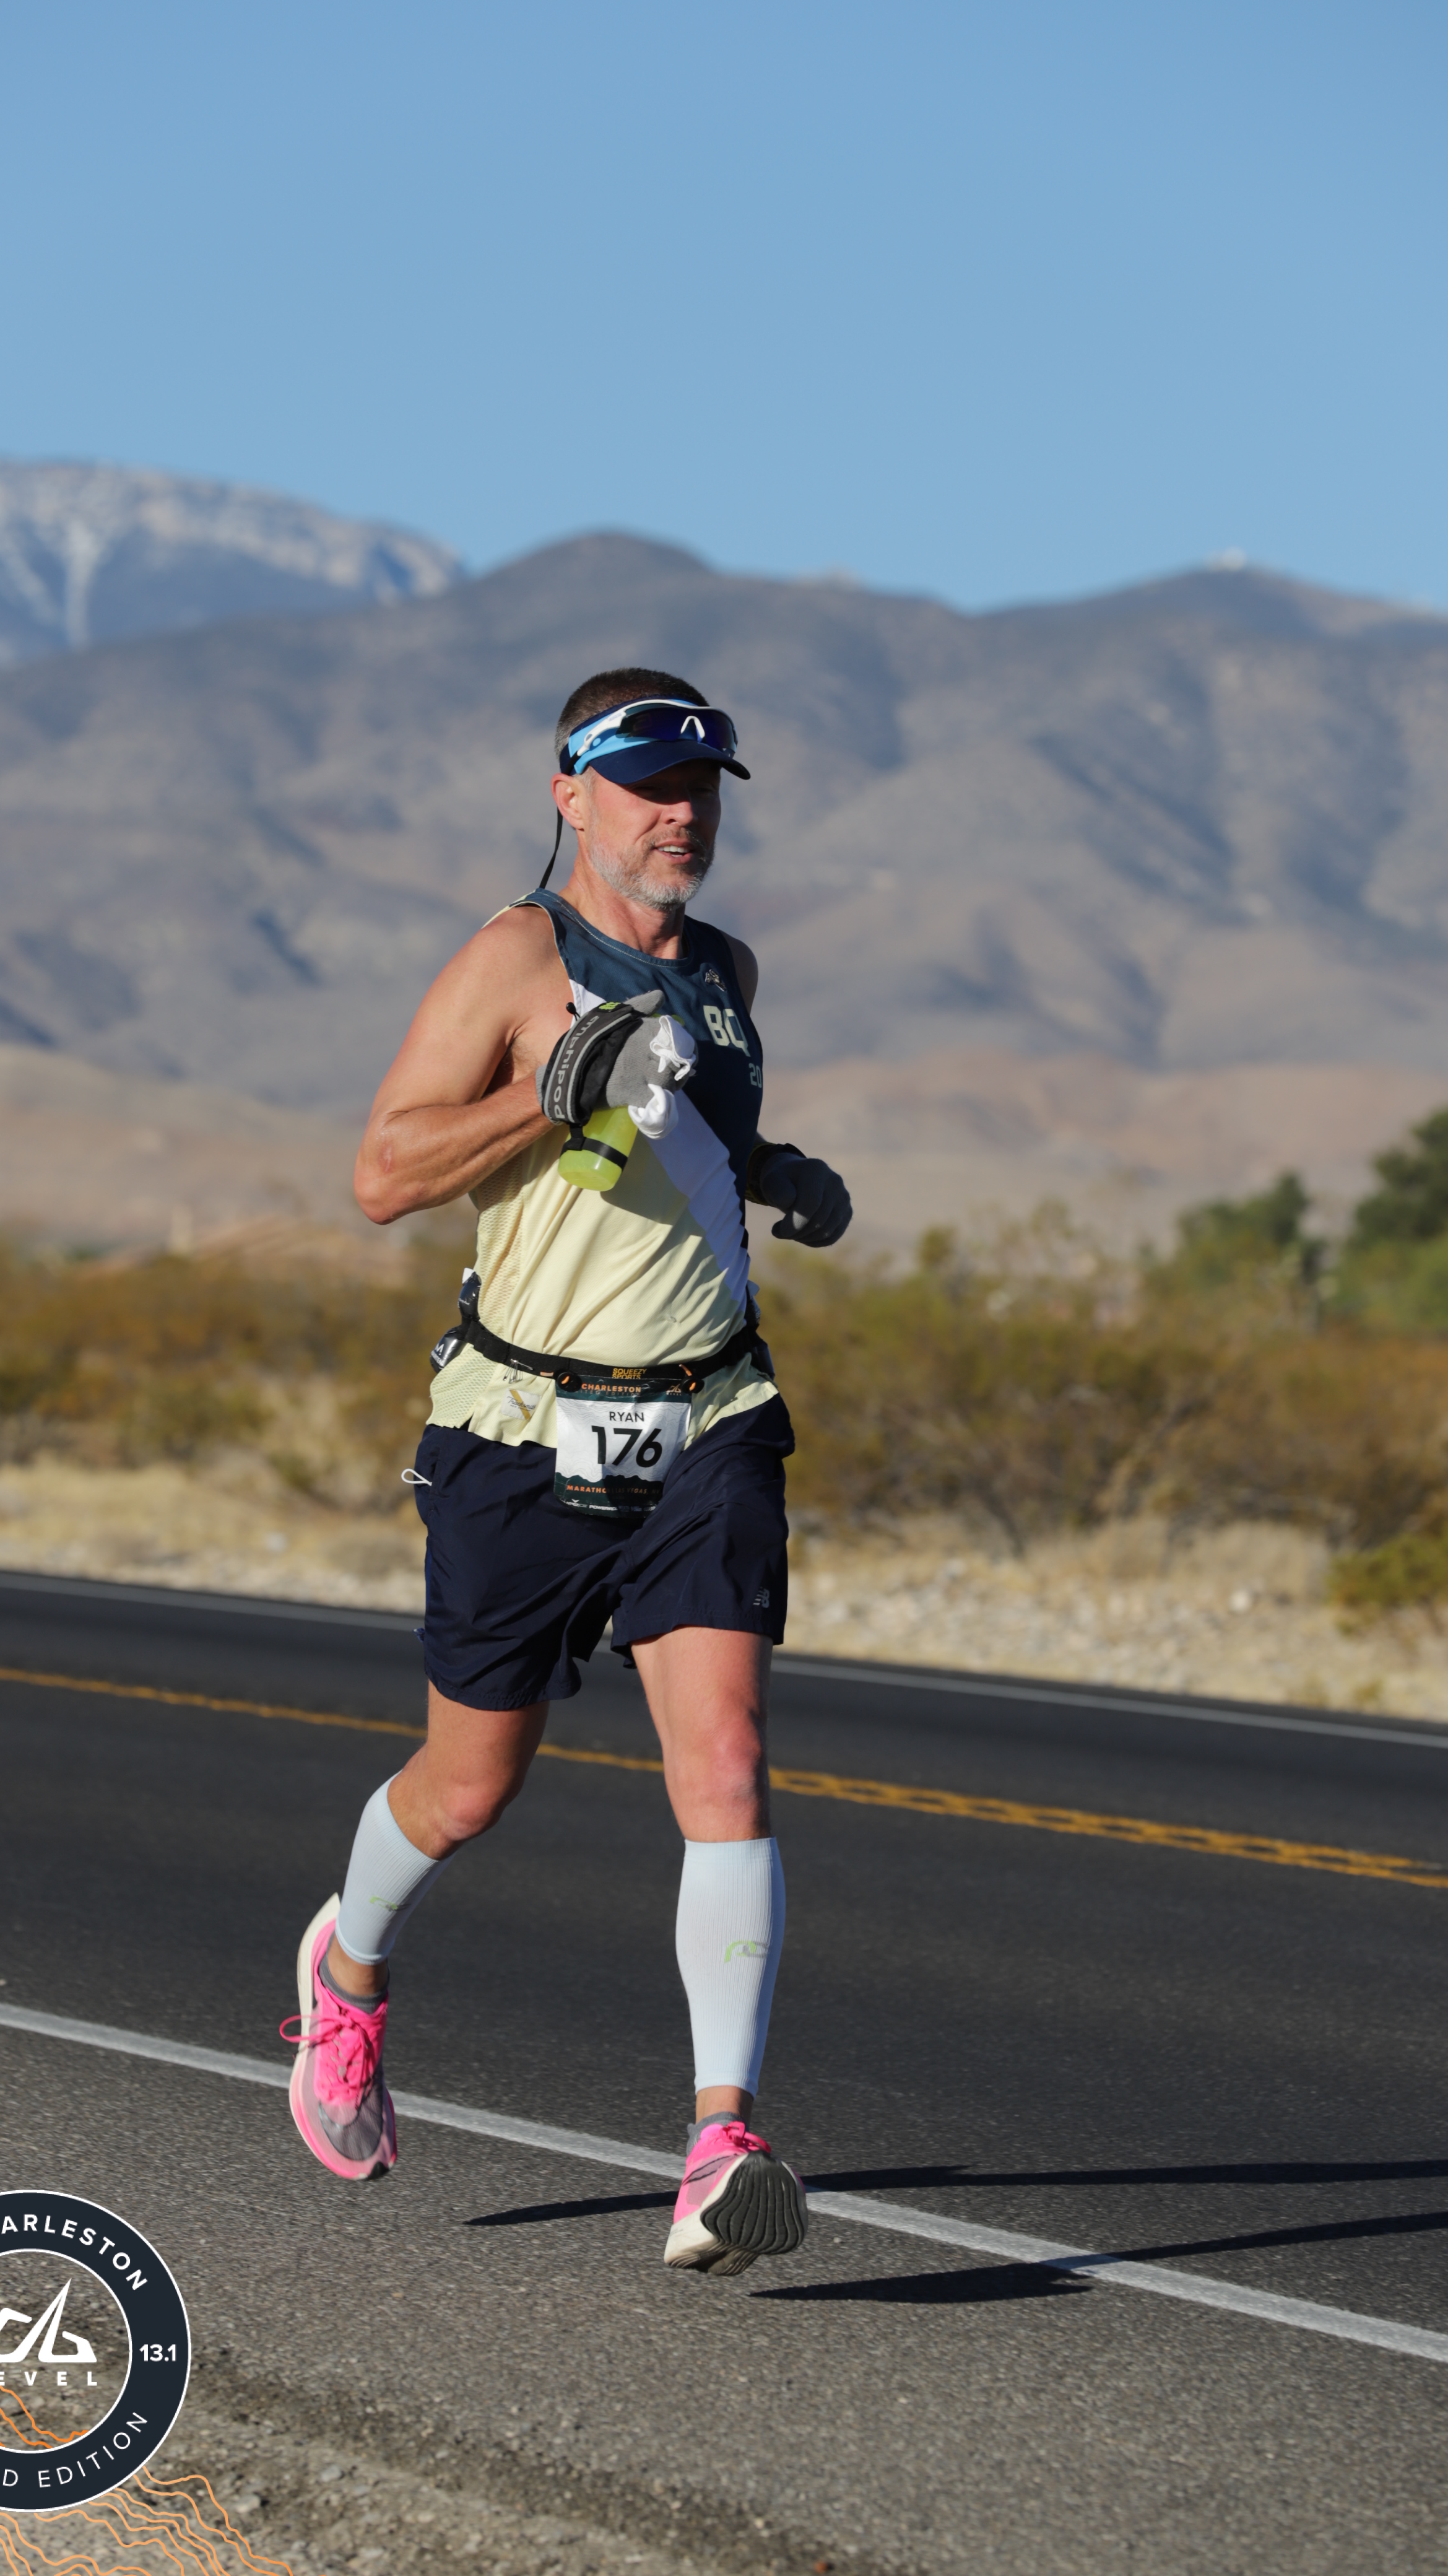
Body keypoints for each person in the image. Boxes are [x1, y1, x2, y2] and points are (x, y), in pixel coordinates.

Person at [280, 669, 852, 2277]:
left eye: (704, 789)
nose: (683, 815)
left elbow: (691, 1140)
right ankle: (348, 1972)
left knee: (725, 1761)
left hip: (708, 1418)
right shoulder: (515, 960)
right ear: (571, 796)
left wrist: (780, 1174)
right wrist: (550, 1094)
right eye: (652, 786)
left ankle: (723, 2141)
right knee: (469, 1788)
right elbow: (385, 1172)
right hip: (522, 1430)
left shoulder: (727, 972)